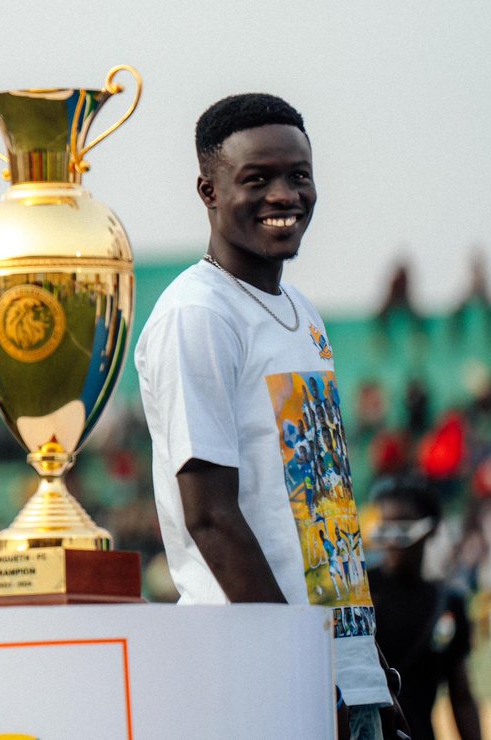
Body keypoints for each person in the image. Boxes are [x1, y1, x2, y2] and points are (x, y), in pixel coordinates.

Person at [134, 93, 401, 738]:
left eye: (299, 175)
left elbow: (318, 513)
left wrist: (369, 664)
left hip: (343, 664)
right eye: (257, 179)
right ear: (208, 190)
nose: (285, 195)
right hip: (259, 672)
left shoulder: (302, 313)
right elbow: (211, 516)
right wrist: (296, 664)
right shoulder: (198, 315)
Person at [369, 479, 482, 740]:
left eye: (403, 524)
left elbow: (461, 696)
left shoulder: (446, 604)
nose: (393, 536)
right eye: (387, 524)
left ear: (430, 530)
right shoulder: (362, 593)